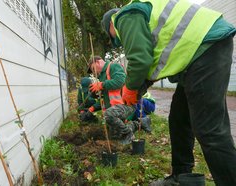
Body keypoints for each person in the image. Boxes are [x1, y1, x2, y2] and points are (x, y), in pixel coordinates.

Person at [101, 1, 236, 185]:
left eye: (112, 37)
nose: (117, 41)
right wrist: (136, 89)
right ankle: (180, 176)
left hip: (205, 47)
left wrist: (131, 89)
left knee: (210, 130)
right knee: (179, 119)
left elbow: (140, 60)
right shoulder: (141, 18)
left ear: (110, 25)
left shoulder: (124, 17)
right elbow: (152, 63)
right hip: (197, 54)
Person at [88, 56, 151, 144]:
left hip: (126, 105)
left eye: (93, 68)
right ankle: (139, 124)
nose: (94, 72)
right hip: (116, 108)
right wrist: (95, 95)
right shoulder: (102, 77)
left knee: (108, 115)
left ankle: (128, 134)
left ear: (97, 62)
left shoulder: (113, 67)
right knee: (114, 136)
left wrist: (102, 85)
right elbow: (106, 96)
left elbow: (121, 81)